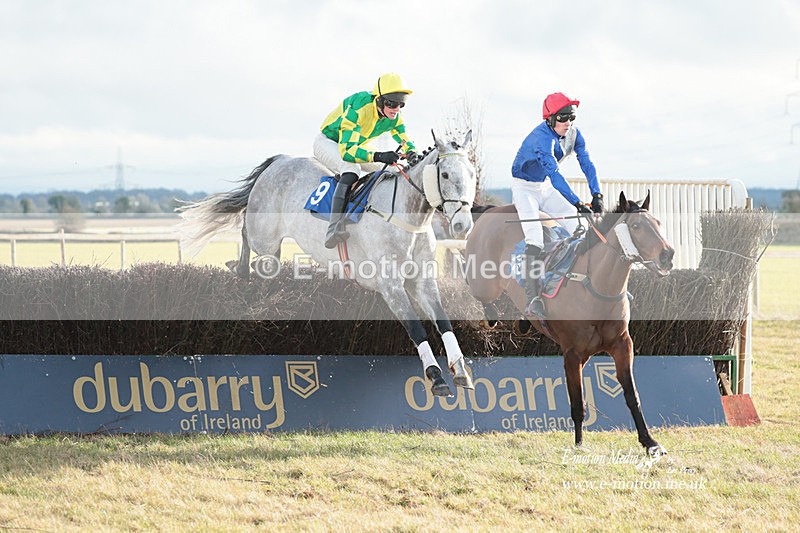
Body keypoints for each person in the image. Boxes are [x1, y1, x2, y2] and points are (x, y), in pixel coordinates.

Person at [511, 91, 604, 318]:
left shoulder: (574, 134)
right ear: (550, 119)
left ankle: (590, 284)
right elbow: (555, 175)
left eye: (571, 117)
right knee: (535, 238)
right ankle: (532, 298)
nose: (568, 122)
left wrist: (597, 194)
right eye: (563, 118)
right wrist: (578, 203)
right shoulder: (540, 138)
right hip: (525, 189)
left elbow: (587, 164)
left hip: (545, 186)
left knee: (582, 229)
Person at [314, 73, 419, 248]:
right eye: (392, 103)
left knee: (394, 169)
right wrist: (379, 155)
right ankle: (333, 228)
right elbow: (347, 151)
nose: (396, 108)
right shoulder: (359, 106)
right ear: (379, 100)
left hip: (355, 145)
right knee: (352, 169)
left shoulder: (394, 116)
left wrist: (412, 152)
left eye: (401, 104)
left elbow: (403, 137)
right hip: (329, 142)